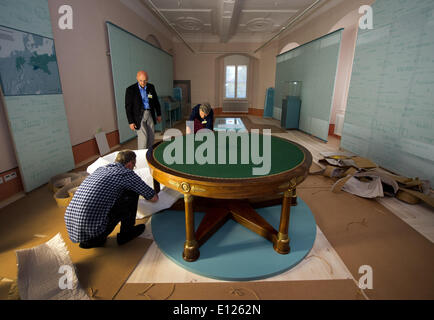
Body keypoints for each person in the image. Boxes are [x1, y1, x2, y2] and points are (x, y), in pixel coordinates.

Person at [65, 150, 159, 249]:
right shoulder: (126, 174)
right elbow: (154, 198)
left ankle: (91, 240)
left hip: (73, 229)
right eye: (134, 166)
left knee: (114, 193)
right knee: (132, 193)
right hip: (93, 233)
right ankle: (126, 234)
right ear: (130, 164)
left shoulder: (101, 169)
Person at [125, 71, 162, 149]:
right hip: (138, 116)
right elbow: (128, 107)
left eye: (145, 81)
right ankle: (141, 157)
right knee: (143, 138)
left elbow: (156, 101)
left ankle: (148, 154)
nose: (143, 82)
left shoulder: (151, 87)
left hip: (150, 114)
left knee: (151, 137)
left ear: (147, 80)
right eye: (140, 80)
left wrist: (158, 114)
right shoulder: (130, 90)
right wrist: (131, 122)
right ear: (137, 79)